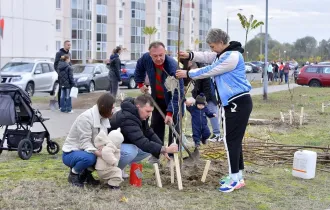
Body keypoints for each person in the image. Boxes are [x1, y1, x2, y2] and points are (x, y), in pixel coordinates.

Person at [176, 28, 253, 193]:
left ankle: (234, 179)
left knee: (230, 141)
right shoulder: (223, 54)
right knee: (234, 141)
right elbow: (206, 57)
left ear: (221, 42)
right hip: (234, 102)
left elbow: (210, 70)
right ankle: (238, 175)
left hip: (236, 102)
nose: (211, 49)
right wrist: (189, 55)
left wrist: (188, 73)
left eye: (213, 46)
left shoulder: (231, 56)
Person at [134, 41, 184, 163]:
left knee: (174, 127)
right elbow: (139, 68)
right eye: (155, 56)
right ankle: (156, 154)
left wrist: (170, 113)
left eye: (161, 55)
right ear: (150, 55)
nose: (158, 58)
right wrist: (140, 83)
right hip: (157, 99)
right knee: (156, 126)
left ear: (165, 52)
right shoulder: (146, 59)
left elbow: (178, 93)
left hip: (173, 100)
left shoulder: (172, 66)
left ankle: (172, 157)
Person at [110, 94, 178, 177]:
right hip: (110, 148)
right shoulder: (127, 118)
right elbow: (141, 141)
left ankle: (126, 167)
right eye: (148, 111)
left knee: (148, 150)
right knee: (131, 151)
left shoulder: (138, 113)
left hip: (124, 143)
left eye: (151, 112)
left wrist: (161, 147)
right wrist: (164, 149)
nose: (149, 114)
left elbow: (148, 132)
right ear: (138, 107)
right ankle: (114, 171)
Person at [62, 93, 116, 187]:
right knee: (90, 158)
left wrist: (105, 149)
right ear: (104, 107)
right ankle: (74, 174)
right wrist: (99, 153)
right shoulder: (85, 118)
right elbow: (84, 143)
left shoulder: (103, 118)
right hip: (71, 153)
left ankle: (85, 175)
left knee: (106, 154)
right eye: (112, 108)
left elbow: (103, 139)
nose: (113, 110)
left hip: (87, 151)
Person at [191, 62, 222, 142]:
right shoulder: (197, 74)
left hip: (209, 98)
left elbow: (208, 89)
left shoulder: (204, 74)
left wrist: (204, 101)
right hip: (202, 98)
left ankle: (217, 134)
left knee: (212, 114)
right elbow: (197, 87)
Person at [54, 40, 72, 109]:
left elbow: (69, 63)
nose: (69, 46)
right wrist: (59, 72)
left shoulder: (69, 54)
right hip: (61, 75)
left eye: (70, 45)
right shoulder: (59, 53)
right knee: (61, 90)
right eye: (68, 45)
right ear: (64, 45)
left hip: (68, 75)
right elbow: (56, 64)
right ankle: (61, 106)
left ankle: (66, 105)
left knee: (67, 90)